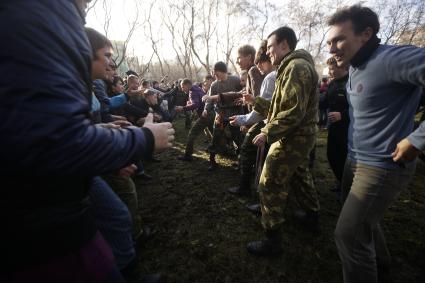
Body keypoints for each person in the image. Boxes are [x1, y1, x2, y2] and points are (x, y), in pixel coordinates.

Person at [0, 1, 174, 282]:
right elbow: (57, 139)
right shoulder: (41, 17)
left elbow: (62, 124)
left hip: (55, 189)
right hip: (42, 209)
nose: (111, 64)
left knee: (115, 216)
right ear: (84, 52)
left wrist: (100, 130)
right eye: (106, 56)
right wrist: (143, 139)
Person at [327, 5, 425, 283]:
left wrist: (417, 138)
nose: (332, 48)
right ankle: (380, 262)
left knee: (348, 235)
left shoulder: (392, 59)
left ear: (366, 34)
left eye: (338, 40)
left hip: (382, 166)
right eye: (330, 42)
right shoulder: (354, 68)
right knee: (360, 224)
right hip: (353, 161)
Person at [247, 26, 320, 256]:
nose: (267, 52)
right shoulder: (290, 67)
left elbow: (291, 113)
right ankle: (312, 217)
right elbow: (281, 108)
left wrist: (267, 132)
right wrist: (256, 102)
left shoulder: (296, 67)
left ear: (284, 45)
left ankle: (272, 239)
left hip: (292, 136)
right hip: (298, 135)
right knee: (299, 174)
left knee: (268, 181)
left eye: (270, 47)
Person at [228, 40, 276, 196]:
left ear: (249, 57)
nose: (237, 61)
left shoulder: (254, 71)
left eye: (239, 57)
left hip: (261, 120)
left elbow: (259, 100)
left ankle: (247, 186)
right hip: (259, 118)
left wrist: (246, 121)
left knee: (249, 149)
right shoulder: (255, 71)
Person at [203, 62, 243, 171]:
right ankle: (212, 161)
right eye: (214, 74)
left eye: (217, 73)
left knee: (238, 138)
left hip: (235, 112)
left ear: (223, 71)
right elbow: (210, 99)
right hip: (221, 113)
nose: (215, 76)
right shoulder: (214, 85)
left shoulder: (235, 80)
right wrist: (206, 110)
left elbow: (243, 93)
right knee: (216, 136)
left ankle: (241, 162)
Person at [324, 57, 349, 196]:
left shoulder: (352, 81)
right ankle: (341, 181)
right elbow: (326, 101)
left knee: (345, 157)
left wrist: (343, 115)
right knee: (332, 155)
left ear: (342, 67)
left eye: (332, 68)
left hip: (348, 128)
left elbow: (360, 108)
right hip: (334, 127)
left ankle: (346, 186)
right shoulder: (332, 84)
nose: (329, 71)